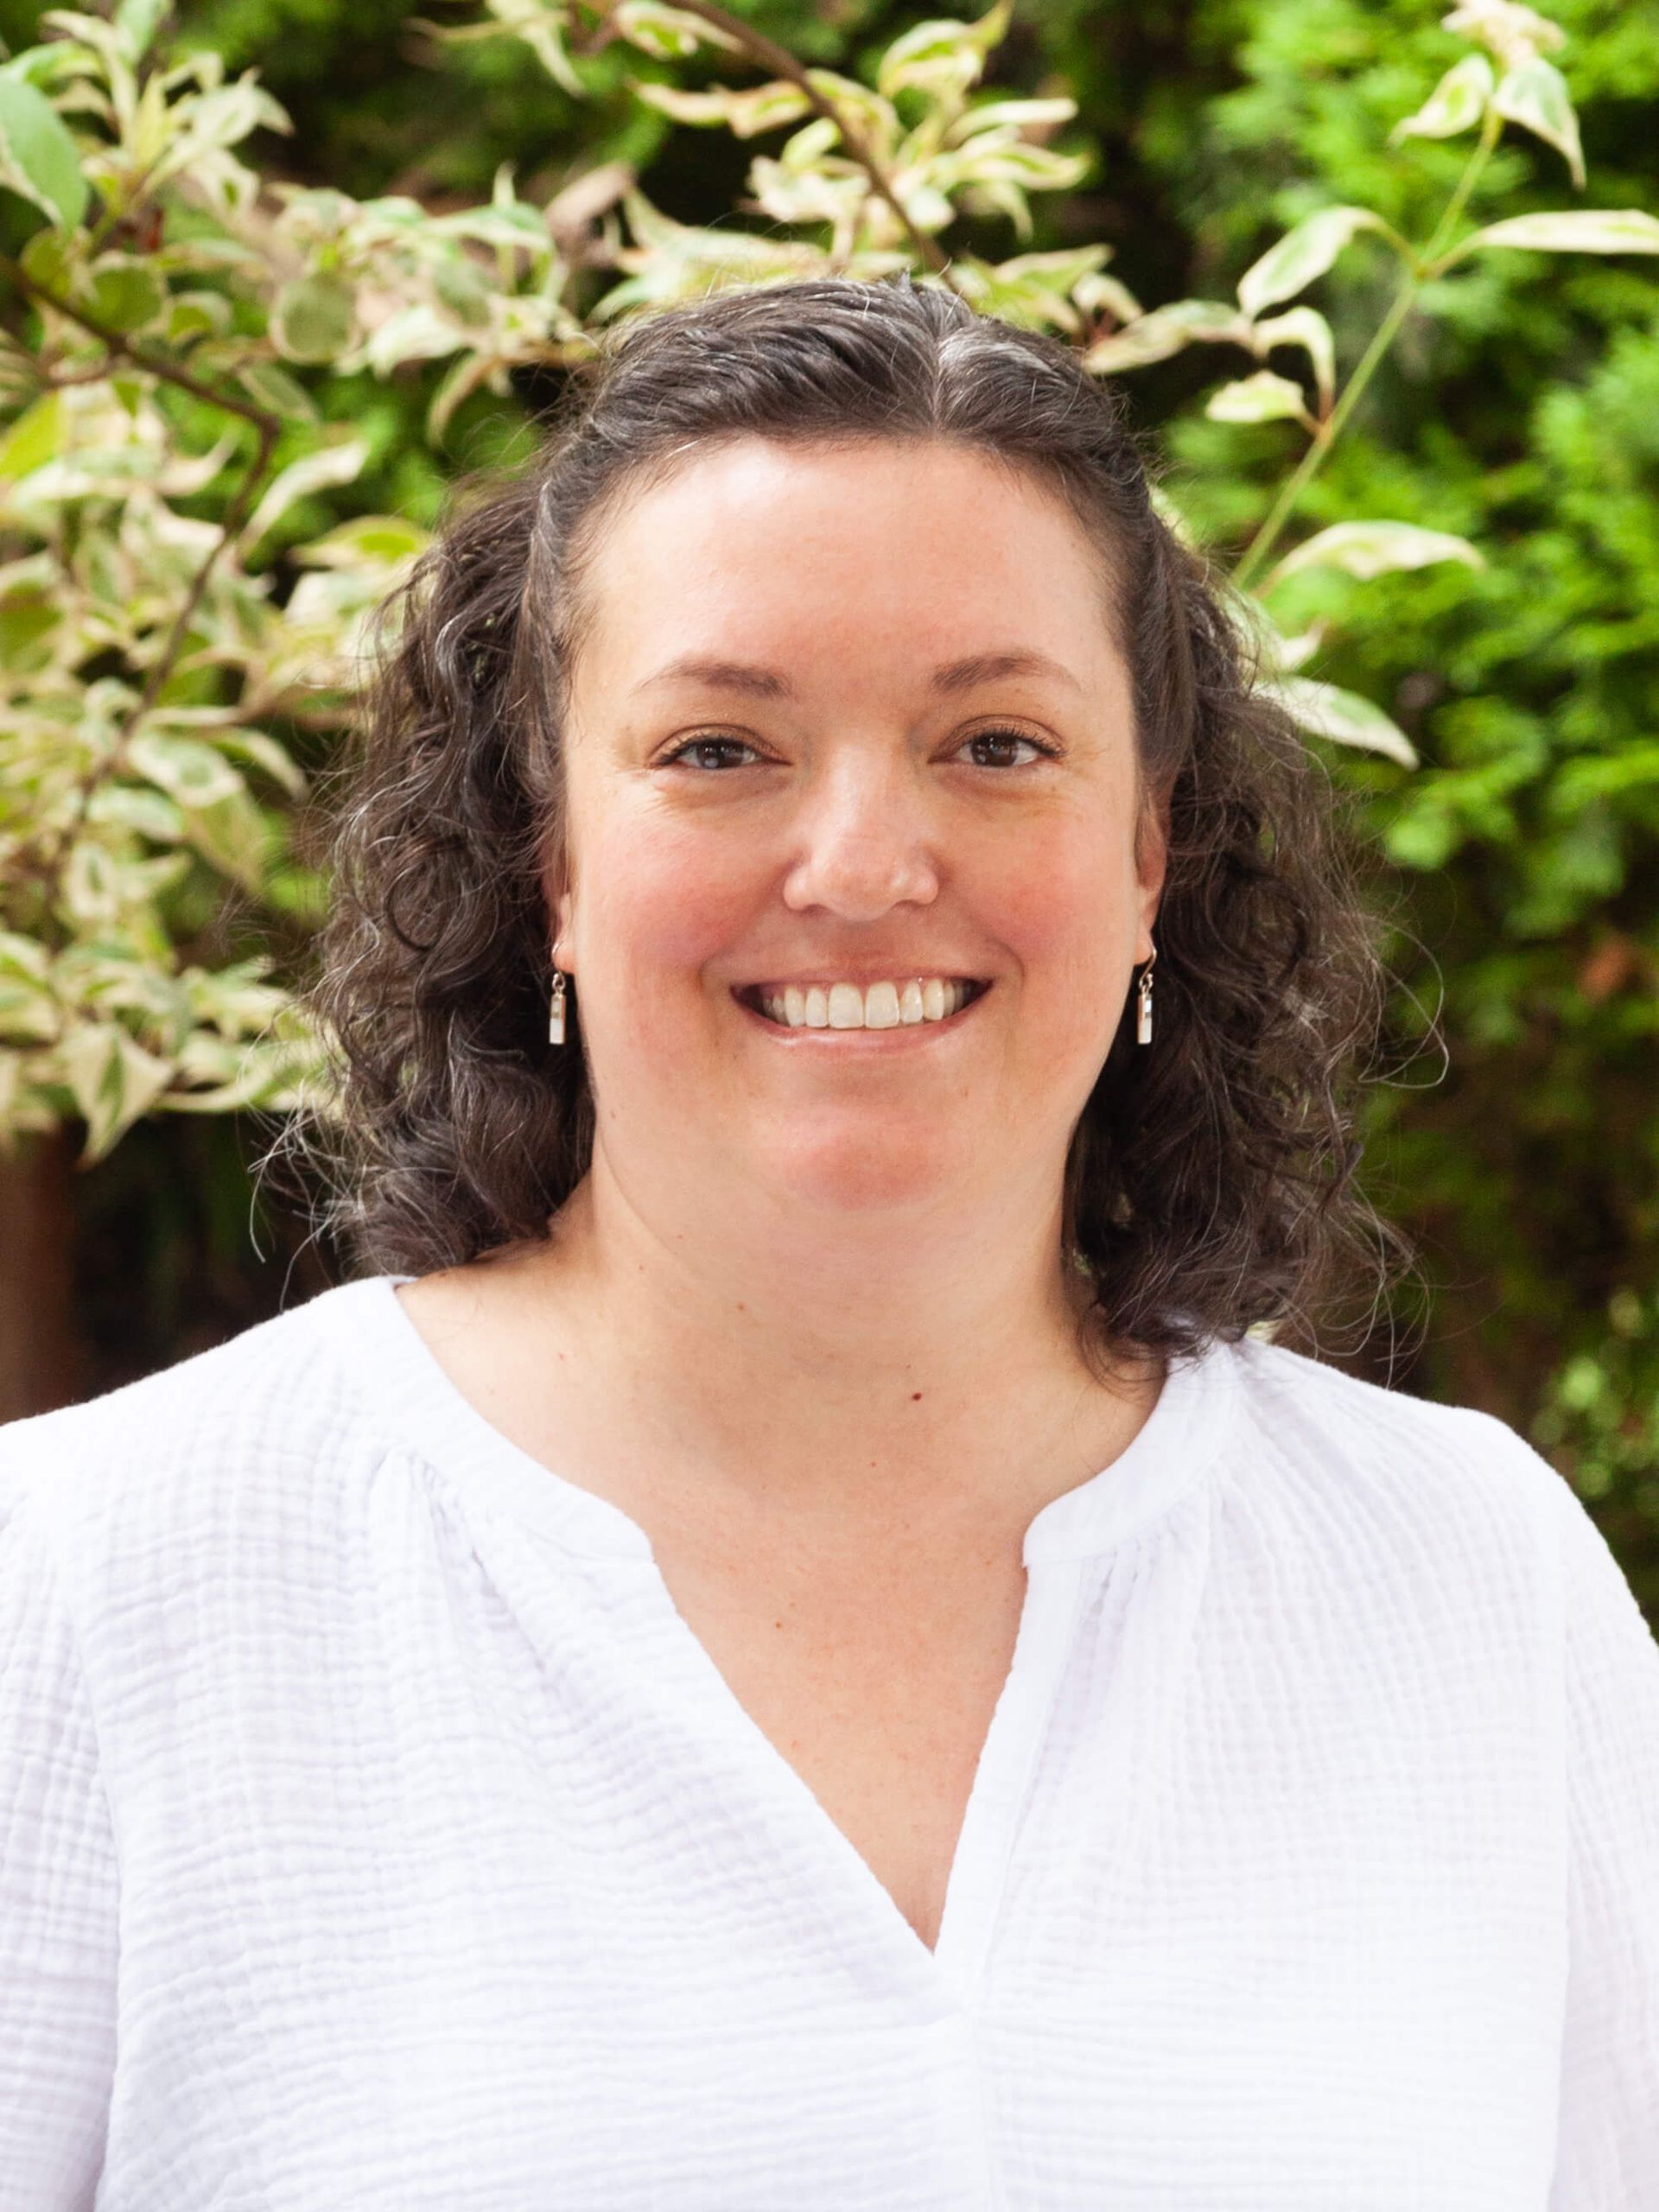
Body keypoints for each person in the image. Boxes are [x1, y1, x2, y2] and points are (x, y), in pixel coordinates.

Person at [3, 273, 1656, 2210]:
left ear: (1150, 856)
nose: (866, 865)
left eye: (998, 744)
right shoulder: (88, 1592)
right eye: (719, 747)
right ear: (551, 857)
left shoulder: (1469, 1584)